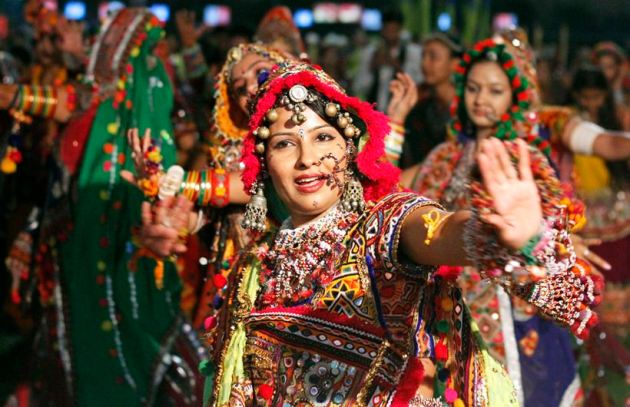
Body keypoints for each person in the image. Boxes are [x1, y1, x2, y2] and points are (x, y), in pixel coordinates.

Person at [135, 61, 600, 406]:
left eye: (324, 138)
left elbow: (437, 232)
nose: (306, 159)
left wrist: (503, 235)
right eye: (284, 144)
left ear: (352, 150)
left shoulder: (382, 227)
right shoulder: (259, 261)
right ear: (263, 167)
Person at [2, 8, 205, 405]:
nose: (100, 46)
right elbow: (33, 99)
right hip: (70, 244)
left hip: (126, 245)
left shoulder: (130, 95)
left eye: (108, 39)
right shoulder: (89, 97)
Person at [400, 37, 603, 406]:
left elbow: (551, 224)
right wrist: (395, 123)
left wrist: (556, 242)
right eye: (474, 89)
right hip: (446, 291)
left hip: (506, 295)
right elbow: (394, 193)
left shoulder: (524, 157)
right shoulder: (445, 155)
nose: (481, 100)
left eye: (495, 91)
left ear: (515, 98)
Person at [400, 32, 464, 168]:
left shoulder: (467, 106)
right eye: (423, 56)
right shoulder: (418, 100)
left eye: (433, 57)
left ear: (455, 64)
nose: (424, 63)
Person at [353, 7, 422, 110]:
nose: (390, 35)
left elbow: (419, 83)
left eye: (394, 31)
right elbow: (359, 86)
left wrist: (398, 67)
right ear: (382, 29)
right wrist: (372, 67)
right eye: (387, 30)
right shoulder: (370, 53)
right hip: (374, 115)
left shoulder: (413, 53)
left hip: (404, 113)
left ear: (400, 30)